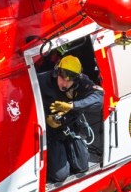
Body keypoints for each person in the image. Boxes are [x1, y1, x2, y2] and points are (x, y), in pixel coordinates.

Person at [38, 54, 102, 184]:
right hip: (51, 132)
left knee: (82, 166)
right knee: (60, 175)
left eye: (69, 79)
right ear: (57, 72)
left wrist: (72, 106)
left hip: (70, 127)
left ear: (76, 79)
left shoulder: (82, 82)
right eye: (62, 77)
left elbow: (100, 98)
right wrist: (46, 119)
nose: (65, 82)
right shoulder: (42, 81)